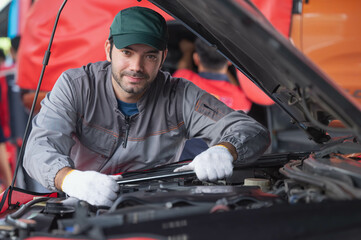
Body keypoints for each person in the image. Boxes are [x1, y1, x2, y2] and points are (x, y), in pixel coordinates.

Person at [24, 7, 270, 207]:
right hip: (83, 202)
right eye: (127, 52)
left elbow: (249, 129)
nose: (137, 66)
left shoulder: (179, 94)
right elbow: (39, 146)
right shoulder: (77, 86)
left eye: (149, 56)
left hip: (156, 206)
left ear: (163, 58)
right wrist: (71, 180)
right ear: (109, 50)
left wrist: (225, 150)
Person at [173, 38, 253, 160]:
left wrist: (187, 51)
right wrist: (224, 62)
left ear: (196, 58)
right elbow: (234, 86)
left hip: (178, 163)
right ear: (229, 62)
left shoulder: (184, 82)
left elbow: (182, 69)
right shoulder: (242, 100)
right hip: (218, 163)